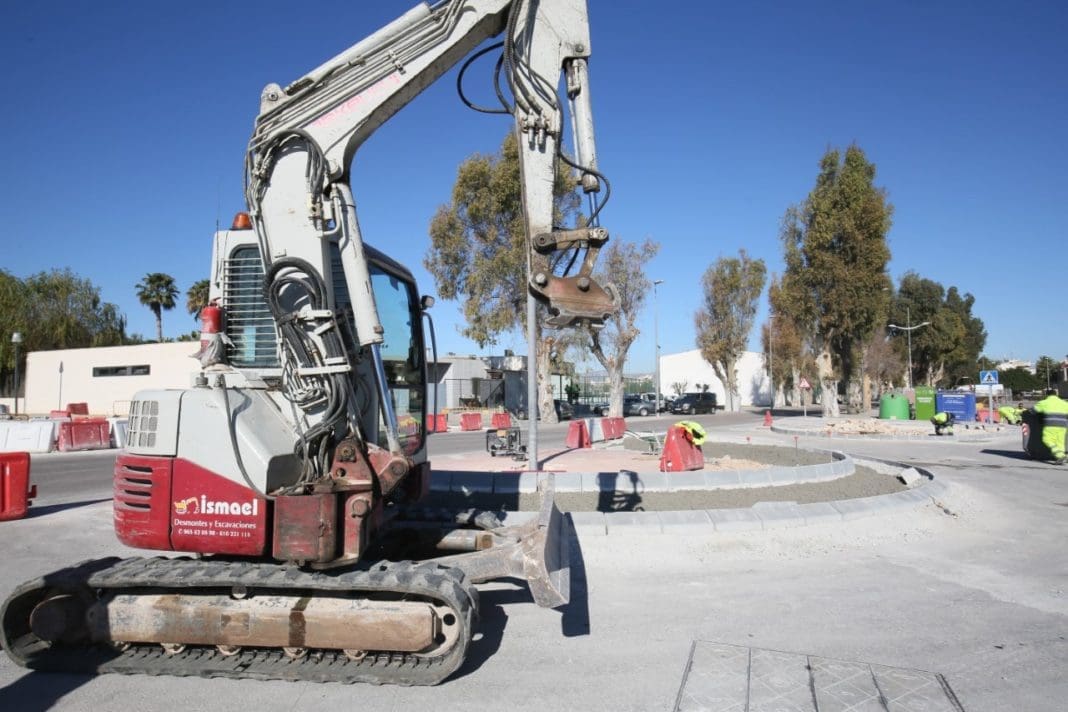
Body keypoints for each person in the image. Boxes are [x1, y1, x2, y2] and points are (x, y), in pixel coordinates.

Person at [1032, 389, 1068, 463]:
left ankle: (1060, 456)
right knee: (1060, 442)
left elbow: (1033, 411)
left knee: (1047, 439)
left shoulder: (1043, 402)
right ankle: (1061, 457)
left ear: (1047, 395)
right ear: (1056, 395)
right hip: (1063, 425)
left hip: (1050, 425)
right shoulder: (1064, 403)